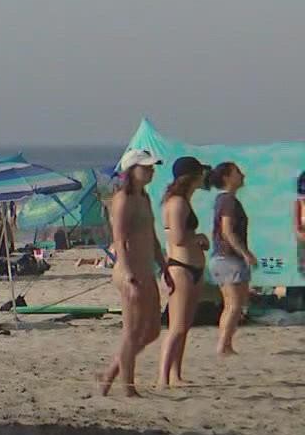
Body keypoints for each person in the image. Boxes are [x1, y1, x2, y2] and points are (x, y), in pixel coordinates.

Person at [101, 149, 169, 397]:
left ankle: (112, 371)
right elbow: (118, 239)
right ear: (131, 171)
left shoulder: (145, 197)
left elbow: (151, 236)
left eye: (152, 167)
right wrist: (129, 273)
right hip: (129, 271)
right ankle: (127, 388)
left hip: (146, 269)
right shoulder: (123, 199)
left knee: (152, 330)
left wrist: (164, 266)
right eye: (146, 167)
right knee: (132, 331)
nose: (151, 171)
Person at [158, 156, 209, 388]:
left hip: (193, 267)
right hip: (181, 268)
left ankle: (176, 375)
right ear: (192, 176)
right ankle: (162, 377)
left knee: (185, 326)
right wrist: (198, 237)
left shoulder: (184, 200)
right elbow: (177, 238)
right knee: (176, 327)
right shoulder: (177, 202)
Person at [207, 161, 253, 356]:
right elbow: (227, 231)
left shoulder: (225, 200)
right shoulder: (227, 201)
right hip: (228, 258)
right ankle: (223, 345)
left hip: (224, 258)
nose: (242, 175)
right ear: (227, 177)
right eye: (237, 172)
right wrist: (245, 253)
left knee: (233, 304)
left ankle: (226, 344)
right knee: (233, 304)